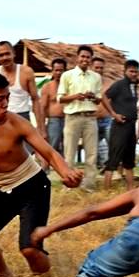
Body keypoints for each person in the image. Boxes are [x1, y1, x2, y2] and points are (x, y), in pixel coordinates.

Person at [0, 70, 83, 277]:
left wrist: (66, 173)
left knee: (30, 249)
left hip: (33, 186)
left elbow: (48, 152)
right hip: (1, 190)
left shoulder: (15, 123)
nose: (6, 104)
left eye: (7, 98)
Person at [57, 45, 103, 192]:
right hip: (72, 117)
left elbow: (99, 100)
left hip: (90, 117)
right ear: (78, 58)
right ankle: (69, 186)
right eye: (82, 56)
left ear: (91, 59)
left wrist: (92, 97)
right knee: (69, 153)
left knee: (92, 154)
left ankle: (88, 186)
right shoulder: (67, 75)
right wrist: (76, 96)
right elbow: (60, 98)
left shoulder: (96, 77)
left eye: (88, 57)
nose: (85, 59)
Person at [101, 59, 139, 190]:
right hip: (119, 126)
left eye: (135, 71)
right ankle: (106, 190)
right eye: (131, 71)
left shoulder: (134, 86)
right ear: (125, 71)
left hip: (131, 125)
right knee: (114, 158)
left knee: (129, 160)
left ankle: (130, 189)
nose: (133, 74)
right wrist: (113, 114)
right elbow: (104, 97)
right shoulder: (119, 85)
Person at [0, 41, 46, 138]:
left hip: (22, 117)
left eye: (7, 54)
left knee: (26, 152)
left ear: (13, 53)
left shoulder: (26, 72)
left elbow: (35, 99)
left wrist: (41, 128)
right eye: (1, 55)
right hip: (2, 119)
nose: (5, 58)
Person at [40, 58, 67, 156]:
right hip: (53, 120)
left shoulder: (69, 86)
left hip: (68, 119)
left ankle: (66, 168)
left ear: (65, 71)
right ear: (52, 71)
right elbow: (42, 107)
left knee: (67, 146)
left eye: (61, 70)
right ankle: (48, 167)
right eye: (56, 70)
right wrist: (42, 128)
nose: (59, 73)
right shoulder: (47, 86)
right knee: (52, 145)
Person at [92, 57, 112, 171]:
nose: (99, 70)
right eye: (96, 67)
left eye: (101, 68)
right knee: (92, 147)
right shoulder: (86, 82)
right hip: (92, 119)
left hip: (107, 118)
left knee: (111, 144)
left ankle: (110, 167)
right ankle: (97, 168)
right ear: (92, 67)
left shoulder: (110, 83)